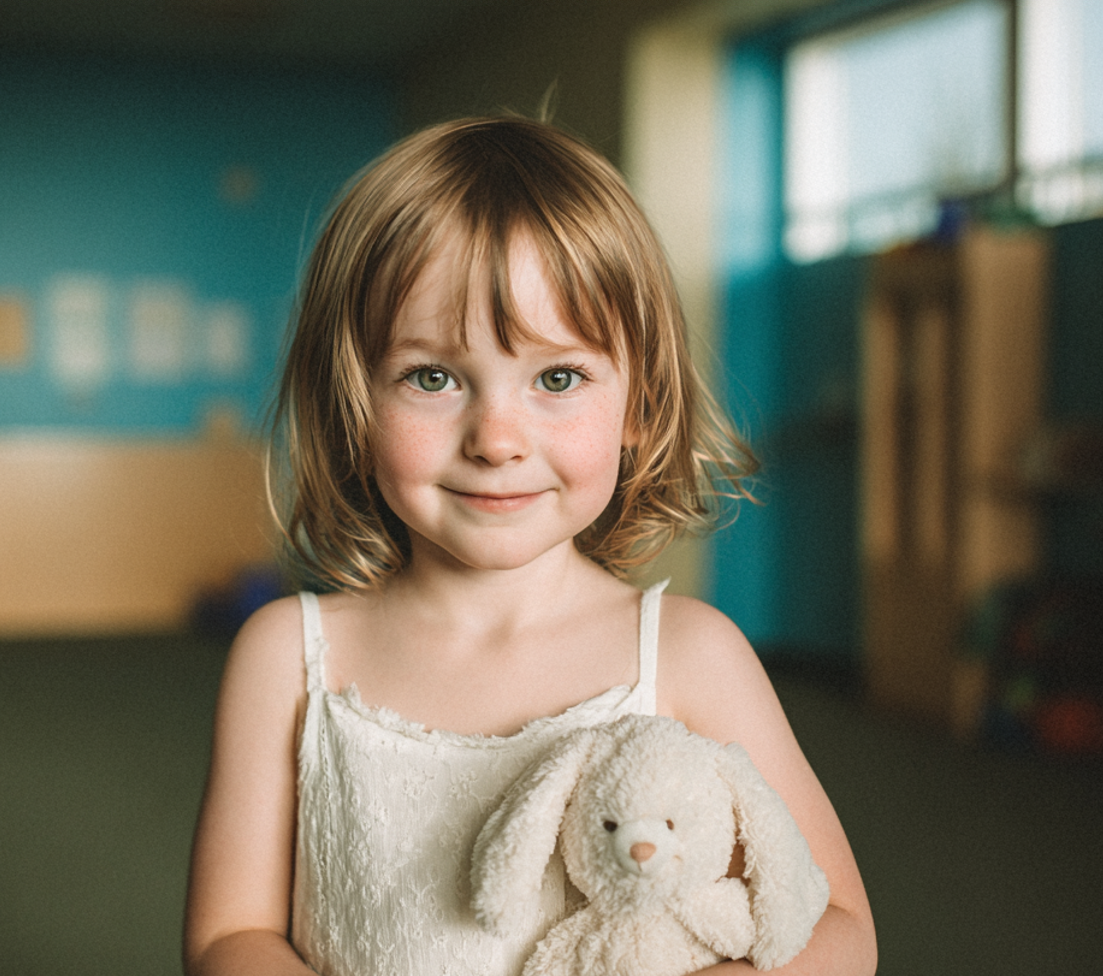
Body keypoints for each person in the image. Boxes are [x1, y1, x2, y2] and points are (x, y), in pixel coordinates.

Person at [184, 115, 876, 976]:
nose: (497, 438)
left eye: (557, 378)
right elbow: (228, 937)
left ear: (642, 407)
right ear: (352, 404)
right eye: (432, 377)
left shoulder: (693, 656)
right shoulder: (287, 657)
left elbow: (837, 926)